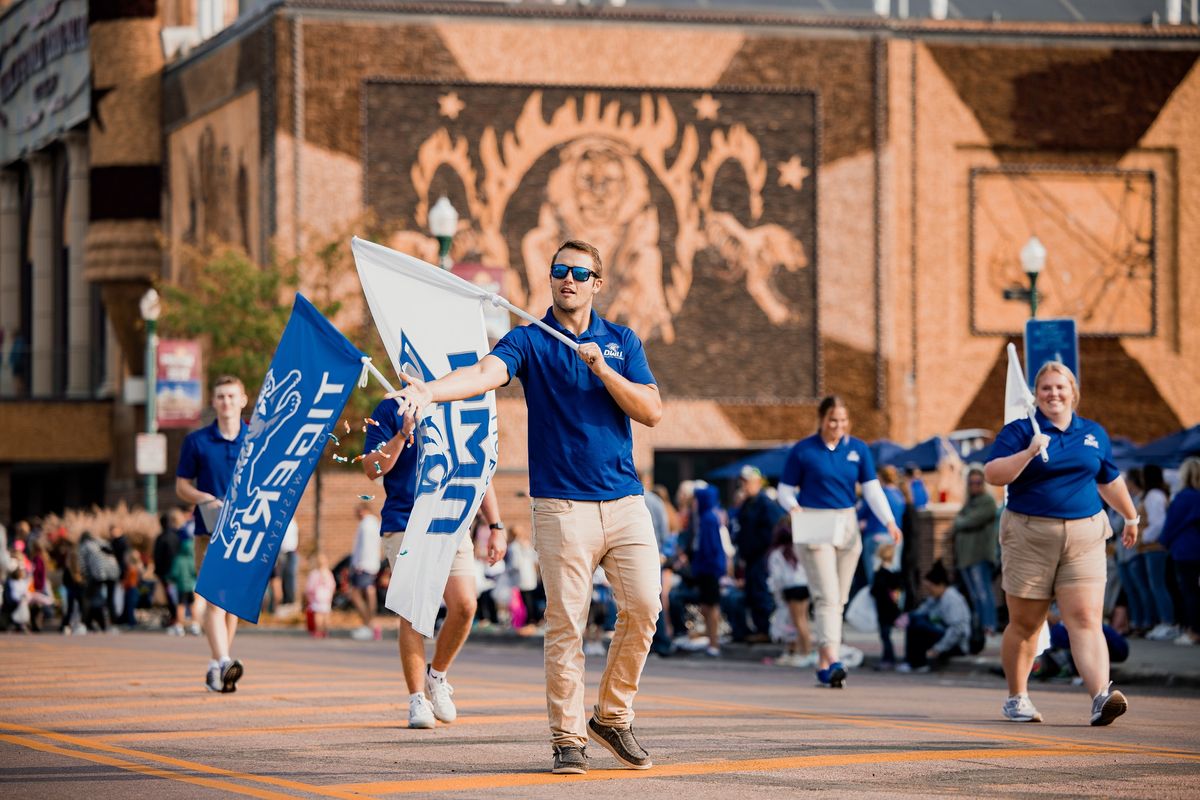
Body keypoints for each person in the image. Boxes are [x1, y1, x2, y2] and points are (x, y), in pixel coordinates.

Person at [388, 239, 663, 775]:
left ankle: (611, 715)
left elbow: (652, 410)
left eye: (580, 273)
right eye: (560, 270)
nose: (569, 280)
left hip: (625, 500)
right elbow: (485, 373)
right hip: (562, 506)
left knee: (646, 608)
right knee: (567, 623)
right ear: (551, 277)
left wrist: (605, 371)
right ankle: (567, 738)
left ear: (596, 284)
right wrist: (431, 392)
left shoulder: (622, 341)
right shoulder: (530, 340)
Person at [984, 361, 1140, 726]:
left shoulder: (1093, 433)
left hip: (1085, 535)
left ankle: (1101, 696)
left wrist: (1131, 516)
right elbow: (993, 474)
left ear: (1073, 391)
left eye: (1060, 387)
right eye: (1046, 389)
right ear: (1036, 395)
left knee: (1086, 619)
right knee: (1026, 623)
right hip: (1029, 535)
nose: (1053, 394)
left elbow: (1109, 479)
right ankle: (1016, 697)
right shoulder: (1021, 430)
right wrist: (1027, 453)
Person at [361, 397, 506, 730]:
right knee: (413, 612)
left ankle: (437, 676)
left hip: (451, 518)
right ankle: (416, 699)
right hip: (405, 522)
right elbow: (372, 469)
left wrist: (495, 526)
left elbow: (480, 468)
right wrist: (402, 434)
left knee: (466, 605)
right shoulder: (388, 408)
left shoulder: (459, 400)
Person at [776, 396, 902, 689]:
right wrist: (793, 507)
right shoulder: (804, 450)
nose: (838, 426)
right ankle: (832, 658)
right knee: (827, 596)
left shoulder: (858, 449)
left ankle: (822, 662)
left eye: (843, 421)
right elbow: (784, 489)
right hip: (814, 521)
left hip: (847, 523)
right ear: (821, 419)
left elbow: (871, 490)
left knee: (840, 598)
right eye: (833, 420)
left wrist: (889, 521)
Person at [175, 375, 249, 693]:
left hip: (245, 533)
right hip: (209, 529)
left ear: (244, 400)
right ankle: (222, 661)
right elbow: (181, 486)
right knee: (215, 599)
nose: (226, 402)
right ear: (213, 402)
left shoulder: (256, 439)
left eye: (232, 396)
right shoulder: (197, 441)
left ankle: (218, 664)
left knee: (231, 603)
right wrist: (203, 497)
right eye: (220, 397)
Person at [734, 466, 786, 642]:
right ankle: (759, 628)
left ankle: (764, 630)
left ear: (757, 482)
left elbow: (777, 527)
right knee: (752, 593)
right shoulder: (748, 503)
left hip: (761, 556)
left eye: (747, 482)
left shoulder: (765, 503)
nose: (744, 486)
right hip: (751, 556)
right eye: (742, 482)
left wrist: (763, 547)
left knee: (760, 592)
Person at [897, 561, 970, 672]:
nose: (929, 591)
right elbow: (921, 612)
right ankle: (912, 662)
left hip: (956, 643)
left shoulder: (951, 599)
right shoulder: (935, 598)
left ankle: (918, 663)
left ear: (941, 585)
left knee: (919, 626)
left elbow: (957, 629)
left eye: (930, 588)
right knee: (915, 620)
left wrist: (938, 648)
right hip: (942, 633)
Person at [952, 468, 1000, 635]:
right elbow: (957, 522)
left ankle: (989, 626)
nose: (974, 486)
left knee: (983, 594)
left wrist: (961, 521)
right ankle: (979, 628)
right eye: (971, 483)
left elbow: (964, 522)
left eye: (978, 482)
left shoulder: (987, 501)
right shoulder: (969, 502)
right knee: (974, 595)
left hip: (979, 556)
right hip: (965, 558)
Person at [1161, 457, 1200, 646]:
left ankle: (1192, 631)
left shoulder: (1183, 497)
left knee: (1188, 591)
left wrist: (1164, 541)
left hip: (1184, 550)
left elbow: (1171, 525)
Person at [1138, 465, 1178, 641]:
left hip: (1155, 548)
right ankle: (1164, 622)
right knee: (1157, 585)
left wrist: (1144, 538)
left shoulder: (1154, 496)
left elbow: (1158, 523)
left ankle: (1168, 622)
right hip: (1153, 548)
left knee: (1158, 585)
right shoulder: (1156, 495)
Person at [766, 519, 812, 667]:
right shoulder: (798, 549)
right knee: (803, 620)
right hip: (804, 586)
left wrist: (777, 593)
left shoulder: (777, 554)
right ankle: (802, 650)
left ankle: (805, 652)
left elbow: (777, 577)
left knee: (797, 622)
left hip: (791, 588)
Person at [690, 484, 728, 657]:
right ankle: (711, 642)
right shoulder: (706, 517)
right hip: (706, 570)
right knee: (706, 607)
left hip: (709, 570)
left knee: (711, 607)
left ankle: (714, 643)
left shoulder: (708, 519)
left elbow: (712, 548)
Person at [858, 465, 906, 586]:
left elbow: (860, 514)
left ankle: (876, 603)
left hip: (876, 535)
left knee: (875, 576)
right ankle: (895, 603)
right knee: (893, 574)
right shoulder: (900, 496)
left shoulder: (878, 495)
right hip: (894, 537)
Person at [349, 503, 382, 641]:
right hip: (370, 563)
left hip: (364, 565)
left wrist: (360, 564)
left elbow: (365, 547)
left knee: (357, 594)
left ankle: (369, 624)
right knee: (367, 591)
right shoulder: (374, 523)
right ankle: (370, 624)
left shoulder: (367, 524)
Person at [870, 541, 903, 670]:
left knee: (885, 636)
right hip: (893, 609)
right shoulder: (895, 572)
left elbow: (875, 590)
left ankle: (888, 659)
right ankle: (888, 658)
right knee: (886, 635)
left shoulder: (881, 573)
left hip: (883, 610)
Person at [305, 553, 336, 638]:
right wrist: (331, 594)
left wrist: (309, 596)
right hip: (326, 596)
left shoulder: (314, 574)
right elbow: (332, 585)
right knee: (326, 614)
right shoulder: (328, 573)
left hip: (317, 596)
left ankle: (318, 631)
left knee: (318, 615)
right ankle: (325, 631)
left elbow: (310, 587)